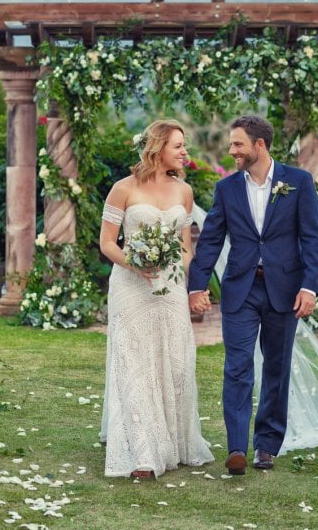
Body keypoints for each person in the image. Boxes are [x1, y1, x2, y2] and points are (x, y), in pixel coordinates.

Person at [188, 115, 318, 475]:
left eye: (237, 144)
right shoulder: (227, 188)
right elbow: (212, 239)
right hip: (241, 289)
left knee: (276, 368)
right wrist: (196, 285)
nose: (232, 150)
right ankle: (236, 448)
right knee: (237, 367)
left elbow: (312, 238)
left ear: (258, 145)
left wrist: (309, 286)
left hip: (285, 289)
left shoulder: (298, 182)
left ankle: (266, 445)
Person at [99, 119, 214, 480]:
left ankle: (174, 442)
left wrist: (170, 266)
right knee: (135, 363)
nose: (185, 152)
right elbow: (107, 244)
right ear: (157, 148)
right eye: (179, 145)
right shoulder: (122, 189)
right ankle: (143, 455)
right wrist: (137, 264)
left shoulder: (185, 192)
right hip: (130, 288)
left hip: (170, 289)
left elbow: (186, 248)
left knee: (175, 364)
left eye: (185, 146)